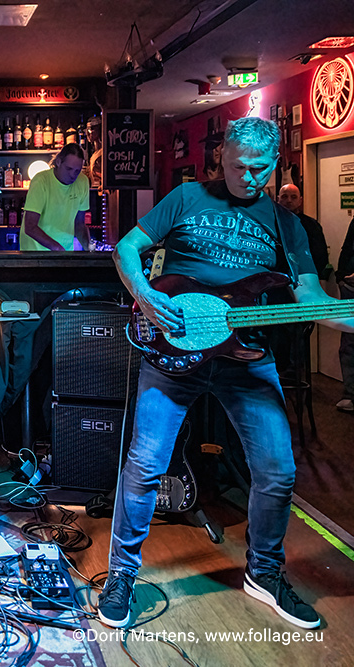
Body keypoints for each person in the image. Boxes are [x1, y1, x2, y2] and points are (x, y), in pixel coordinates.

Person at [99, 116, 354, 631]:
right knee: (146, 465)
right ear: (222, 159)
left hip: (246, 358)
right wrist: (145, 296)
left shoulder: (286, 224)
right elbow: (127, 248)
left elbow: (310, 297)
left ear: (275, 163)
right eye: (238, 167)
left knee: (278, 471)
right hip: (174, 351)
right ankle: (121, 575)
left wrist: (344, 315)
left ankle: (265, 573)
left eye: (259, 169)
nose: (248, 177)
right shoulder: (186, 197)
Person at [21, 143, 90, 251]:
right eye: (69, 169)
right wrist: (57, 248)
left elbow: (80, 225)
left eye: (77, 170)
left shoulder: (83, 181)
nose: (73, 174)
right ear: (58, 162)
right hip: (35, 253)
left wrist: (89, 249)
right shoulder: (41, 181)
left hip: (64, 252)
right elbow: (30, 226)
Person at [277, 184, 330, 280]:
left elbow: (320, 255)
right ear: (278, 199)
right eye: (284, 196)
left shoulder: (311, 225)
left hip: (305, 276)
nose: (289, 200)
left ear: (300, 201)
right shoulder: (270, 223)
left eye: (293, 197)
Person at [337, 218, 354, 412]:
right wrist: (341, 277)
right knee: (348, 344)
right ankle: (350, 394)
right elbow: (347, 249)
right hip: (350, 288)